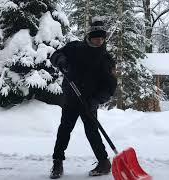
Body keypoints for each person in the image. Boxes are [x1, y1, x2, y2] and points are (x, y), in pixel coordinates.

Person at [49, 17, 117, 179]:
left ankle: (103, 162)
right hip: (72, 97)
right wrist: (60, 60)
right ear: (89, 36)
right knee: (65, 129)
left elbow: (110, 86)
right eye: (96, 37)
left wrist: (96, 100)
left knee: (92, 131)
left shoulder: (106, 59)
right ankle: (57, 162)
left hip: (89, 101)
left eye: (101, 38)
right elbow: (55, 55)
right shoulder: (74, 48)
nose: (99, 40)